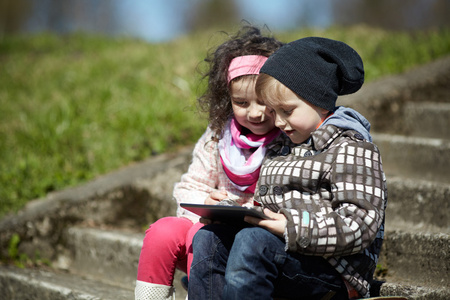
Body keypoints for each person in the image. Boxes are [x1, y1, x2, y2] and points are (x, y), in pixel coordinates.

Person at [188, 37, 387, 299]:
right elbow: (271, 212)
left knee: (253, 242)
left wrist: (293, 227)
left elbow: (359, 224)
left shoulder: (351, 148)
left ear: (318, 98)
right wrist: (231, 210)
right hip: (282, 255)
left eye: (287, 110)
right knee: (209, 239)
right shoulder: (284, 147)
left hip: (333, 271)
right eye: (273, 111)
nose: (278, 122)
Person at [134, 25, 283, 300]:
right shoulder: (218, 135)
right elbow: (189, 186)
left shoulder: (288, 137)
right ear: (227, 99)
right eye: (241, 102)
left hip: (255, 243)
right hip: (210, 226)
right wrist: (208, 204)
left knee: (203, 236)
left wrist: (244, 208)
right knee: (163, 232)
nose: (255, 113)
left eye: (265, 102)